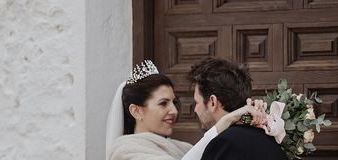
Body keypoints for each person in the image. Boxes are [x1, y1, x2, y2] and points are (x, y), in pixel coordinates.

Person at [106, 60, 265, 160]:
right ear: (136, 111)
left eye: (174, 102)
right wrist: (226, 120)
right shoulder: (125, 151)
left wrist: (250, 119)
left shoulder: (185, 148)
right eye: (163, 103)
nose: (174, 111)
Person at [188, 57, 287, 160]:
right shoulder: (266, 136)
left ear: (213, 102)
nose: (195, 109)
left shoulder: (224, 143)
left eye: (197, 102)